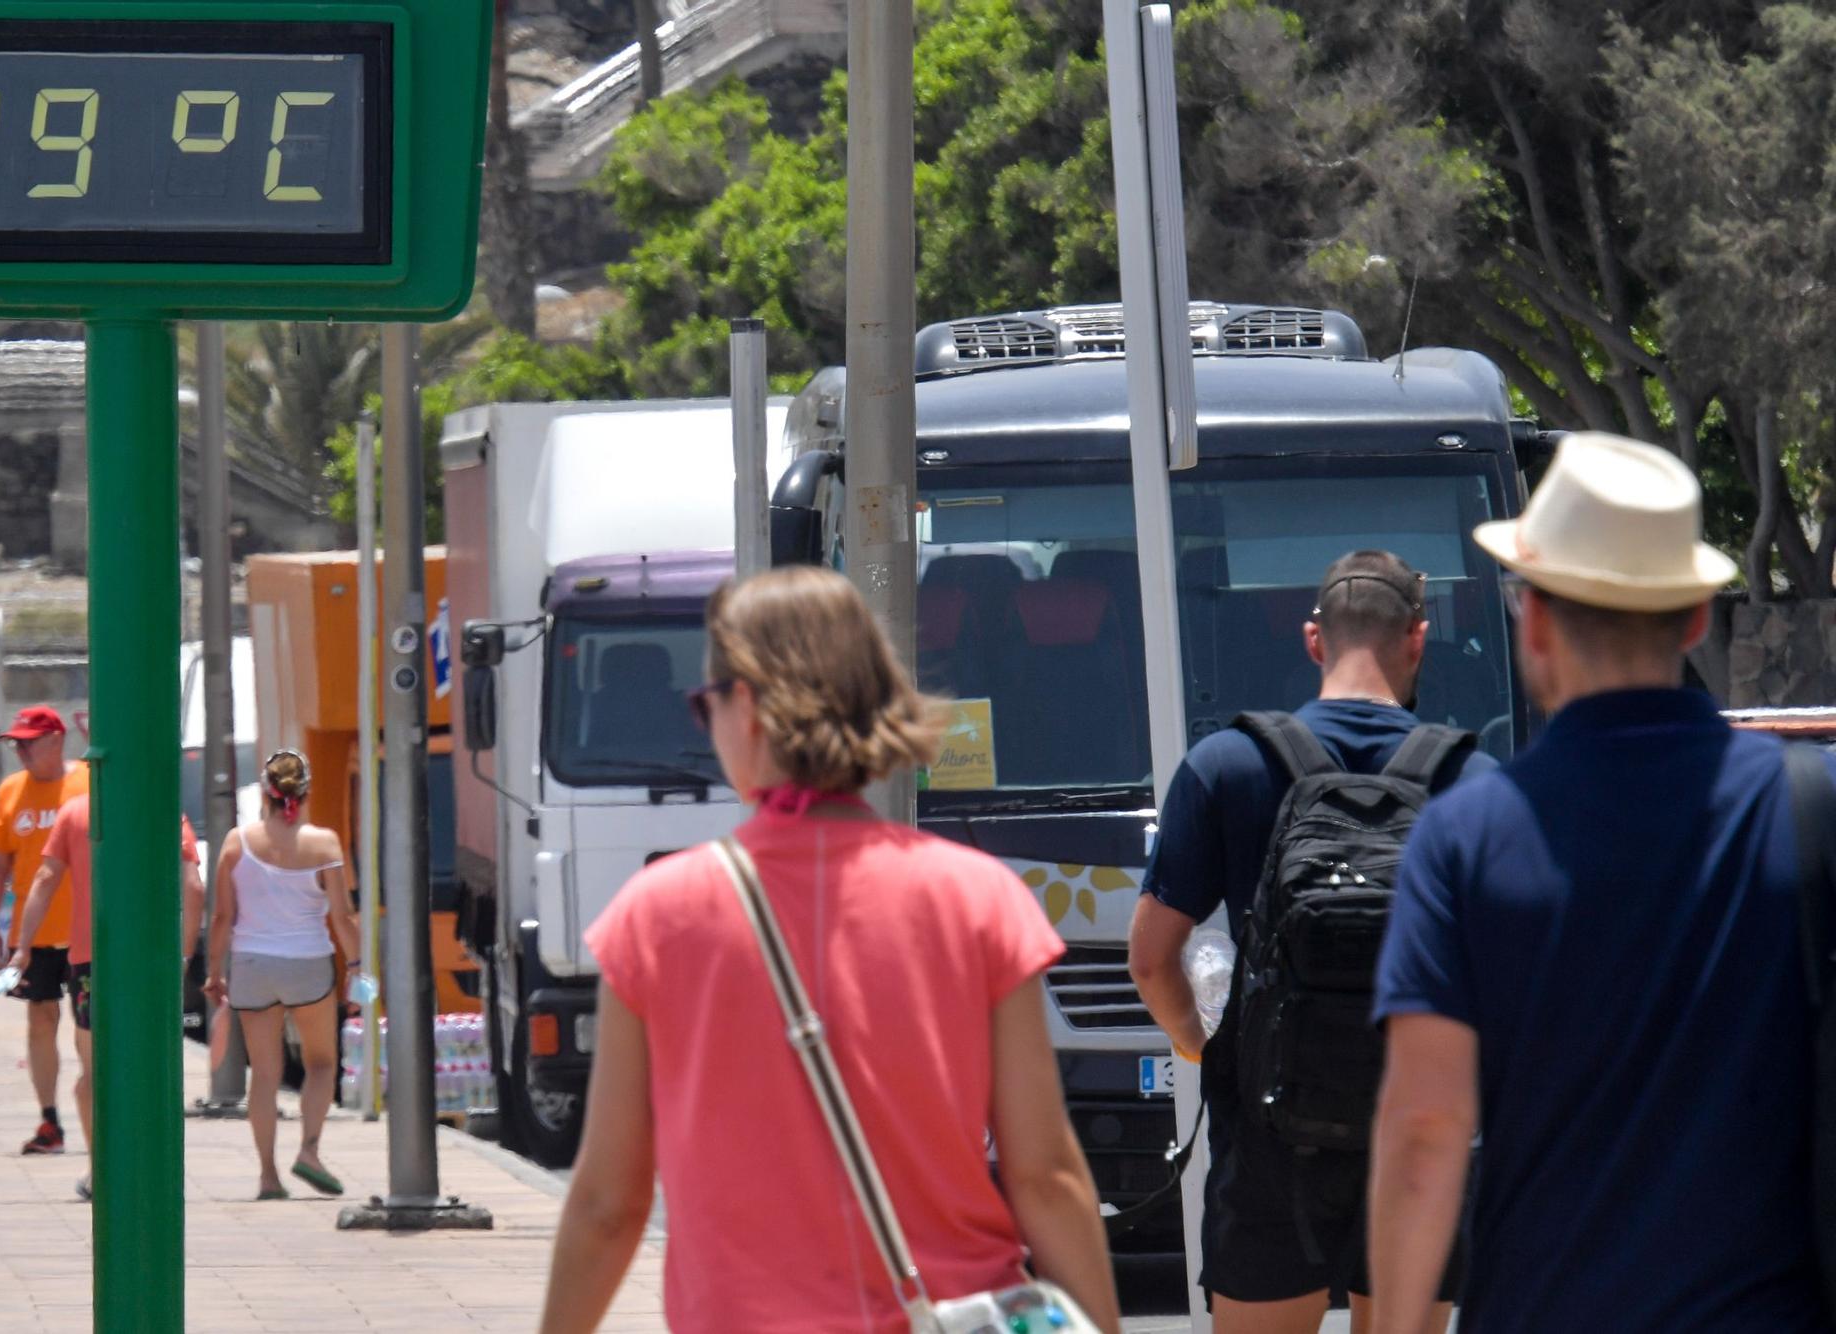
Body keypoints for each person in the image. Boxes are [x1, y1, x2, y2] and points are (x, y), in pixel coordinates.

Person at [539, 566, 1121, 1334]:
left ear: (744, 705)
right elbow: (1045, 1175)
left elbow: (610, 1203)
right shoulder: (979, 900)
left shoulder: (656, 917)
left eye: (703, 702)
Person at [1366, 434, 1824, 1333]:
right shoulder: (1810, 808)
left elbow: (1425, 1128)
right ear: (1696, 616)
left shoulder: (1463, 838)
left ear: (1532, 620)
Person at [1127, 549, 1494, 1334]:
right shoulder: (1475, 781)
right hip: (1418, 1138)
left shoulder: (1225, 765)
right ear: (1418, 640)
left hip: (1268, 1136)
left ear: (1313, 639)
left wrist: (1203, 1046)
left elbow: (1152, 958)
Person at [11, 792, 202, 1201]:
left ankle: (101, 1167)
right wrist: (183, 955)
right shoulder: (163, 806)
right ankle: (154, 1167)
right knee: (150, 1066)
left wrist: (23, 946)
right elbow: (193, 886)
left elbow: (45, 879)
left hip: (90, 961)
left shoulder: (76, 811)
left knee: (94, 1073)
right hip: (150, 965)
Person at [203, 751, 358, 1201]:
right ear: (303, 794)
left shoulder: (236, 844)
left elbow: (221, 919)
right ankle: (309, 1150)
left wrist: (215, 972)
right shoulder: (325, 845)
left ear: (265, 794)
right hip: (308, 962)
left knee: (265, 1075)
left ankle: (268, 1176)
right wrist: (355, 967)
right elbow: (343, 917)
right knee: (322, 1063)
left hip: (252, 965)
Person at [0, 705, 89, 1155]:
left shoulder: (87, 781)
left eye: (29, 742)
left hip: (88, 930)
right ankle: (49, 1121)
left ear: (57, 739)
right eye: (16, 744)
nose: (21, 751)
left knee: (90, 1031)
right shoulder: (10, 792)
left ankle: (98, 1114)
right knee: (41, 1021)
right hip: (36, 934)